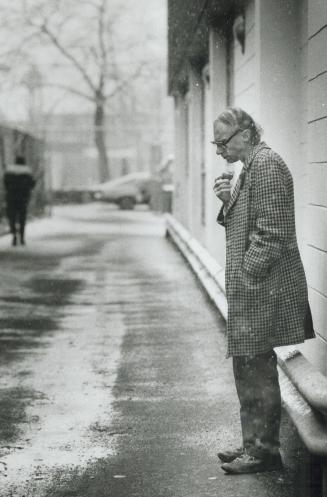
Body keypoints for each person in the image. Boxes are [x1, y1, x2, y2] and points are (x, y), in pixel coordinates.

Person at [212, 108, 315, 475]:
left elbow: (272, 233)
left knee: (256, 367)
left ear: (245, 133)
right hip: (255, 287)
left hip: (262, 288)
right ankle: (254, 443)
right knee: (248, 366)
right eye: (215, 143)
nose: (219, 150)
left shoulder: (266, 165)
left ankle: (264, 452)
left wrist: (245, 276)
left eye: (222, 142)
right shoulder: (250, 165)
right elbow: (247, 222)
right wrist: (228, 201)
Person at [4, 155, 36, 246]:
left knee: (12, 217)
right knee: (22, 218)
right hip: (23, 198)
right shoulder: (27, 172)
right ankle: (22, 238)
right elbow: (31, 184)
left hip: (11, 198)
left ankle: (14, 235)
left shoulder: (9, 172)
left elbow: (5, 183)